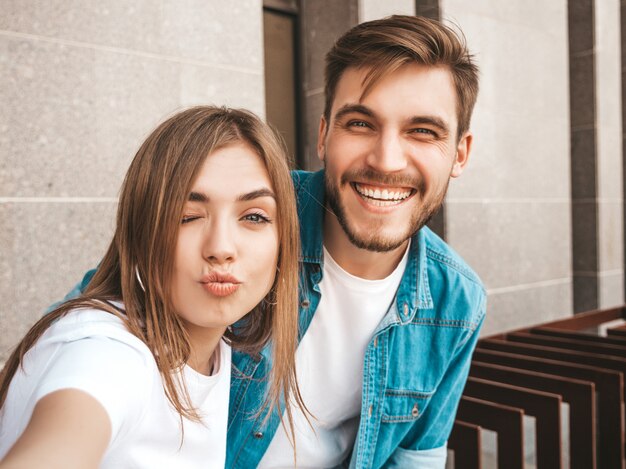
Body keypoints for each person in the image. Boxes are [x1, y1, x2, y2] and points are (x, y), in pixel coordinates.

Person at [227, 15, 485, 468]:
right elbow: (106, 320)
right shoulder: (246, 213)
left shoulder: (457, 302)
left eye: (422, 131)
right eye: (361, 124)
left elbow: (415, 459)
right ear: (325, 135)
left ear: (459, 154)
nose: (386, 161)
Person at [0, 106, 305, 468]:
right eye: (187, 217)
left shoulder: (216, 350)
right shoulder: (110, 352)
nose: (221, 247)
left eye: (254, 217)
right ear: (141, 234)